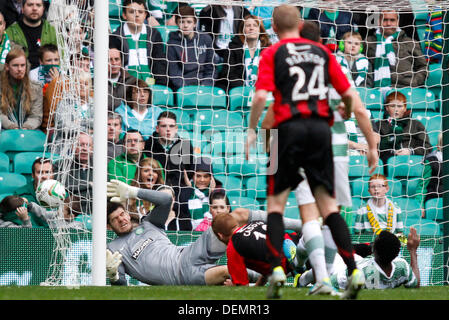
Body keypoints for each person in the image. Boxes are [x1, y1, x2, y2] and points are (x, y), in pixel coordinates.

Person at [245, 4, 378, 299]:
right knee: (331, 210)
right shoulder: (326, 57)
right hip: (330, 139)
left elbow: (264, 103)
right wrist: (372, 145)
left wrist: (256, 134)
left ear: (275, 29)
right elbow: (355, 104)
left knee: (284, 207)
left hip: (291, 131)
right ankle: (348, 270)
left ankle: (284, 270)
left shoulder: (274, 53)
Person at [105, 179, 230, 286]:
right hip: (181, 277)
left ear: (127, 214)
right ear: (109, 226)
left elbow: (166, 199)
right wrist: (114, 277)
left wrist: (132, 192)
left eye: (122, 214)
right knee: (227, 272)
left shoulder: (149, 223)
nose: (121, 219)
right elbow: (121, 289)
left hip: (188, 254)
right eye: (115, 219)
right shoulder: (112, 249)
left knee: (231, 221)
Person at [324, 228, 420, 290]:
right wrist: (412, 250)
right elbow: (416, 285)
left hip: (344, 264)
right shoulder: (402, 266)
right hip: (350, 263)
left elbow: (329, 284)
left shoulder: (359, 272)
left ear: (374, 251)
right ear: (396, 255)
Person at [366, 9, 427, 91]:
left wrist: (414, 82)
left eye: (392, 20)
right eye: (385, 20)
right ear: (379, 21)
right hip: (376, 90)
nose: (388, 23)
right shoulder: (368, 42)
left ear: (397, 22)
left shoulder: (410, 42)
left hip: (406, 88)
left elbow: (423, 66)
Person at [110, 0, 167, 86]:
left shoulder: (154, 34)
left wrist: (159, 86)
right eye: (132, 12)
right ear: (124, 15)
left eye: (140, 12)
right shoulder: (116, 37)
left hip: (150, 84)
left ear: (145, 15)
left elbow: (159, 63)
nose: (137, 15)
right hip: (125, 85)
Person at [373, 91, 432, 166]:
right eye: (392, 106)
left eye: (400, 106)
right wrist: (392, 151)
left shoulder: (416, 124)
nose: (396, 109)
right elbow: (375, 146)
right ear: (387, 108)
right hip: (388, 160)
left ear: (405, 108)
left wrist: (410, 151)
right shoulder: (379, 125)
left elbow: (427, 147)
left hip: (413, 159)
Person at [166, 5, 216, 92]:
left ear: (195, 23)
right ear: (177, 23)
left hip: (204, 85)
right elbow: (174, 74)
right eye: (182, 22)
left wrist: (206, 85)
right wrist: (187, 89)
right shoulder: (172, 43)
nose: (185, 25)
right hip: (183, 87)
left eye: (189, 22)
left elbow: (211, 68)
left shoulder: (206, 39)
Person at [217, 14, 271, 92]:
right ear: (243, 30)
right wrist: (247, 90)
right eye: (248, 25)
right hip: (238, 90)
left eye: (255, 26)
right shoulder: (233, 47)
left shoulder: (268, 49)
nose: (251, 28)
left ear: (260, 30)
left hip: (261, 90)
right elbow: (228, 74)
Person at [144, 111, 194, 188]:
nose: (168, 129)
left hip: (179, 191)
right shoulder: (148, 145)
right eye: (164, 126)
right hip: (154, 191)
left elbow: (190, 171)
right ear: (157, 128)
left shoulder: (185, 145)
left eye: (171, 126)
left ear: (176, 128)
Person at [6, 0, 57, 70]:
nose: (34, 8)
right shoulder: (10, 32)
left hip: (48, 76)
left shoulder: (53, 31)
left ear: (43, 9)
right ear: (22, 9)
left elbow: (62, 57)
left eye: (38, 5)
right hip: (21, 77)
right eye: (30, 5)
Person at [0, 47, 43, 130]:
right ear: (7, 67)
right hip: (5, 130)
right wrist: (12, 127)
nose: (20, 69)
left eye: (22, 65)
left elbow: (36, 116)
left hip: (29, 130)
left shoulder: (36, 88)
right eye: (15, 65)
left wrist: (26, 128)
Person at [56, 131, 93, 215]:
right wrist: (90, 185)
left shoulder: (100, 167)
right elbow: (65, 186)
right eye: (80, 145)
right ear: (73, 147)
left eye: (88, 145)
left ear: (92, 148)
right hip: (69, 211)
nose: (84, 148)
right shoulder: (61, 165)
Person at [126, 157, 165, 224]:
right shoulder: (130, 197)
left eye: (154, 171)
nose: (151, 173)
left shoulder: (163, 196)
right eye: (146, 171)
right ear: (139, 175)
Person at [416, 132, 443, 217]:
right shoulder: (432, 161)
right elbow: (422, 186)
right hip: (435, 199)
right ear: (439, 146)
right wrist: (420, 206)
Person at [107, 45, 138, 112]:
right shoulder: (95, 82)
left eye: (117, 59)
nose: (114, 63)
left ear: (121, 62)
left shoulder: (133, 82)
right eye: (109, 60)